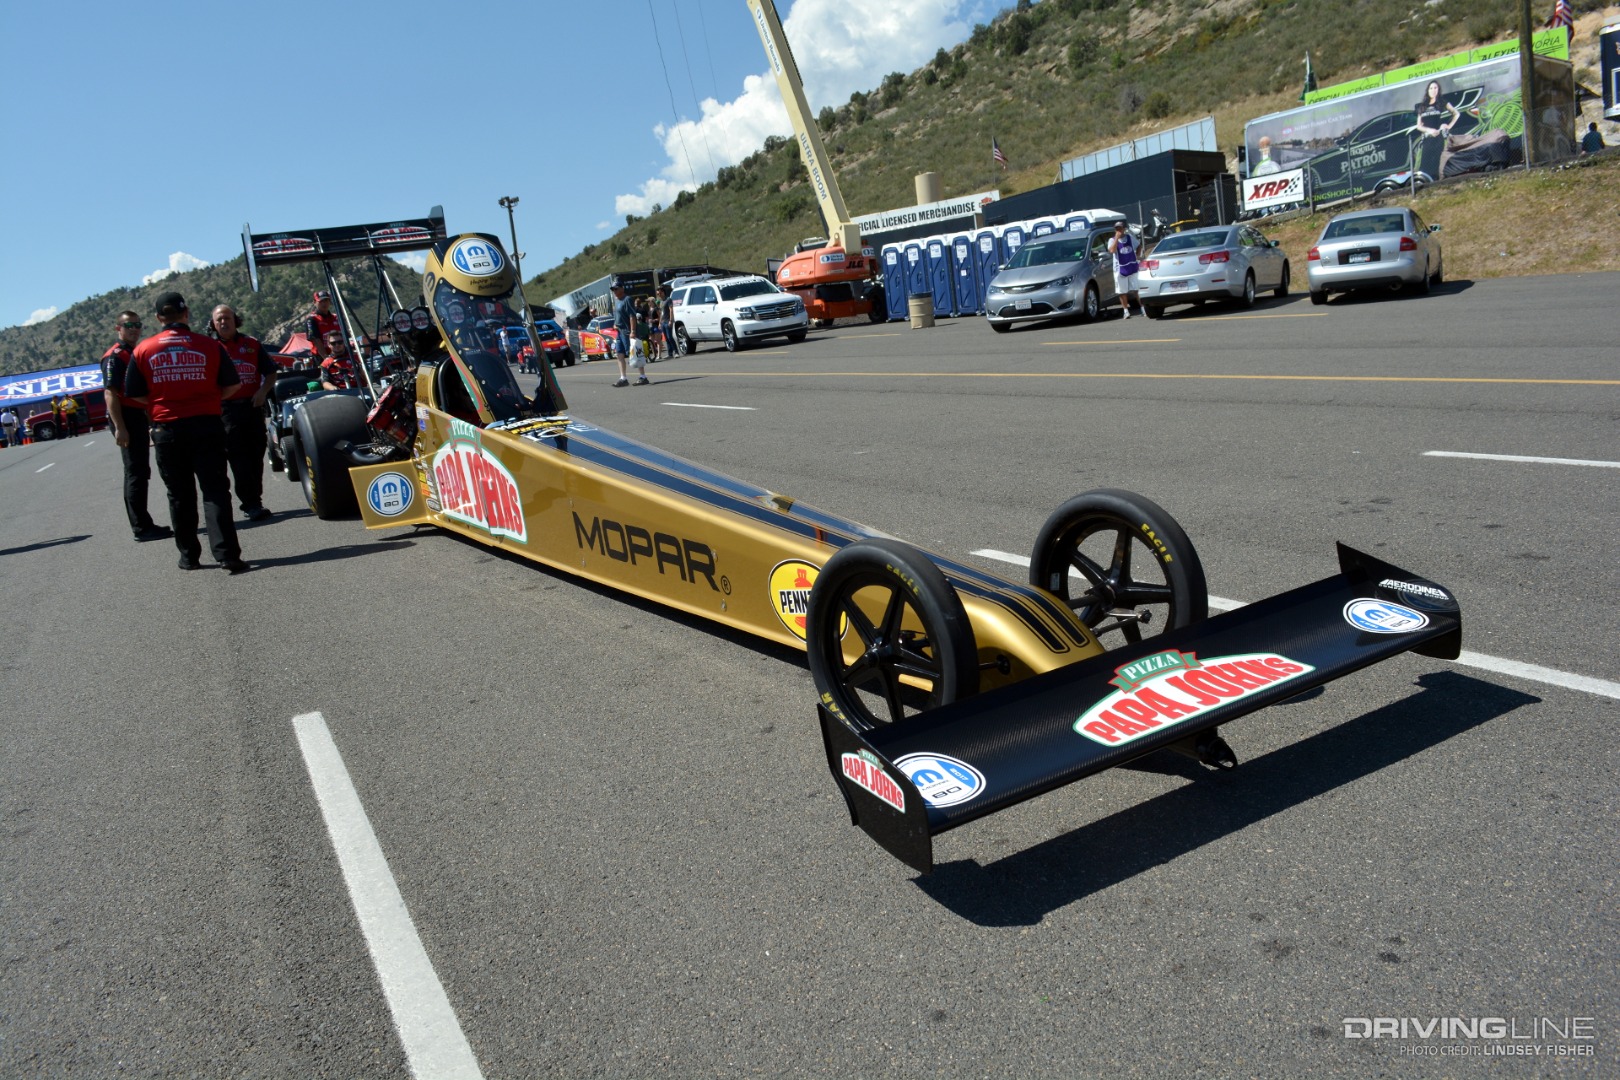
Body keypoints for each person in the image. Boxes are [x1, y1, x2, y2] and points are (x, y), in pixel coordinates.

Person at [123, 291, 248, 574]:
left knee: (179, 495)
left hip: (168, 429)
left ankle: (189, 556)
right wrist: (206, 398)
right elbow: (232, 386)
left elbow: (134, 394)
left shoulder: (143, 349)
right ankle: (227, 555)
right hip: (206, 424)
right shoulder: (210, 345)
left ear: (158, 318)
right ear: (186, 313)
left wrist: (163, 400)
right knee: (215, 491)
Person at [102, 309, 170, 541]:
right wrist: (120, 427)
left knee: (139, 472)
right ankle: (141, 527)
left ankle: (143, 523)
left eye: (137, 325)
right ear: (118, 329)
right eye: (128, 325)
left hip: (137, 416)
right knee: (135, 472)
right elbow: (110, 393)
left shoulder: (133, 353)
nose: (133, 329)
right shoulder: (115, 356)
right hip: (126, 418)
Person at [211, 304, 278, 521]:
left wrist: (262, 392)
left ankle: (254, 498)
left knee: (256, 454)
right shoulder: (210, 348)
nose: (223, 322)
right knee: (238, 457)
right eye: (219, 319)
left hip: (252, 407)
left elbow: (270, 373)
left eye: (227, 318)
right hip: (227, 412)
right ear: (213, 324)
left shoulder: (252, 344)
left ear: (235, 320)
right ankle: (250, 503)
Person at [1415, 80, 1460, 178]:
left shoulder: (1442, 102)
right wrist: (1429, 130)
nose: (1433, 90)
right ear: (1428, 90)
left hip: (1440, 138)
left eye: (1435, 88)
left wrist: (1448, 126)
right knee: (1425, 164)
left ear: (1438, 90)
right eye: (1431, 88)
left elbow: (1456, 114)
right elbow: (1418, 126)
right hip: (1427, 139)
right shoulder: (1421, 106)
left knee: (1439, 162)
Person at [1107, 220, 1143, 319]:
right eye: (1116, 228)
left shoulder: (1130, 238)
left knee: (1137, 289)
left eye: (1120, 228)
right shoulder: (1112, 240)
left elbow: (1139, 245)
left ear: (1124, 229)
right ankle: (1126, 311)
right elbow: (1112, 250)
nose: (1118, 230)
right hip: (1119, 268)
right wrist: (1116, 239)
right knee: (1122, 291)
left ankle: (1143, 308)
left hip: (1132, 266)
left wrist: (1137, 255)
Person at [610, 283, 635, 387]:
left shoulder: (627, 299)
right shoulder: (616, 301)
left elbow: (632, 316)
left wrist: (633, 331)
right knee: (619, 354)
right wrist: (615, 324)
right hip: (619, 331)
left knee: (634, 354)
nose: (614, 291)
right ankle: (623, 378)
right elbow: (617, 315)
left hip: (627, 331)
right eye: (613, 289)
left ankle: (643, 376)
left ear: (622, 288)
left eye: (616, 289)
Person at [306, 290, 340, 361]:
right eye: (321, 301)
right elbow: (316, 341)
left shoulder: (335, 317)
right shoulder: (312, 319)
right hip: (321, 358)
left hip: (339, 354)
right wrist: (328, 360)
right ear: (315, 302)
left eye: (326, 300)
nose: (324, 303)